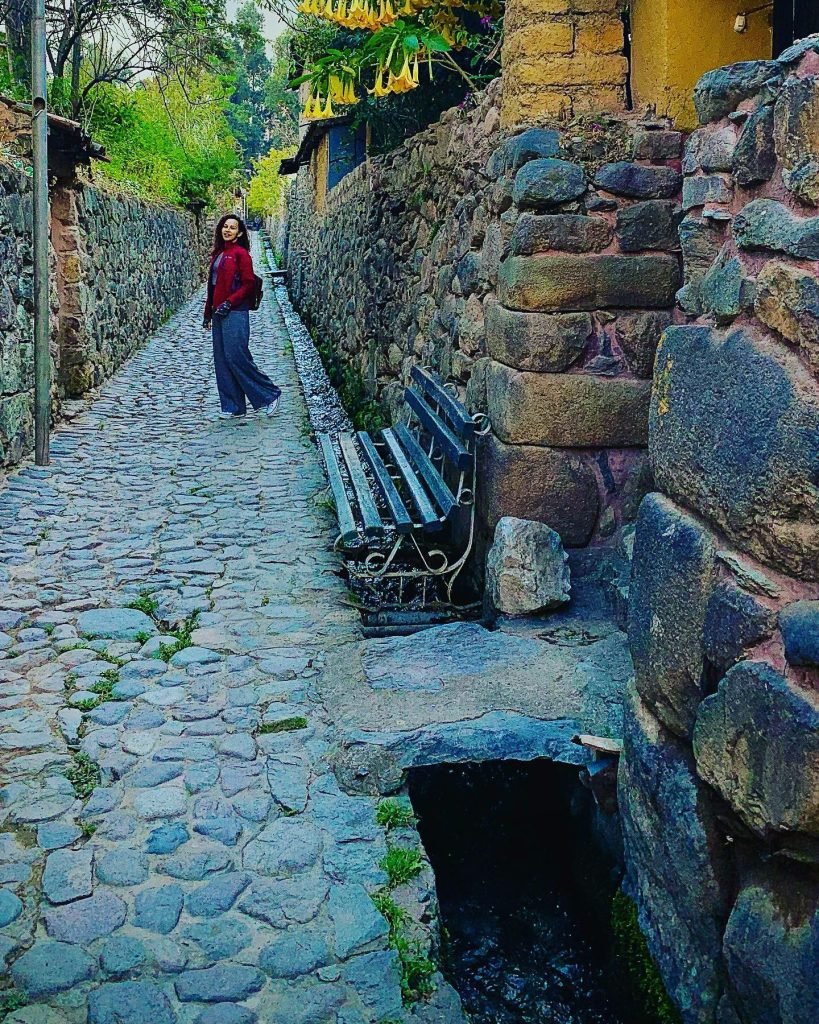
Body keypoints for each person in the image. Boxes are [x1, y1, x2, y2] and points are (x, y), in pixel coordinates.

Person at [203, 214, 281, 420]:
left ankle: (269, 394)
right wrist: (208, 313)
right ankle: (233, 406)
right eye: (225, 226)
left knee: (237, 357)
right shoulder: (218, 254)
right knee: (222, 359)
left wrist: (230, 302)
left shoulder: (241, 254)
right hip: (219, 313)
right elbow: (212, 287)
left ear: (239, 233)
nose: (227, 230)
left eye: (232, 227)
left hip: (235, 312)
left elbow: (248, 284)